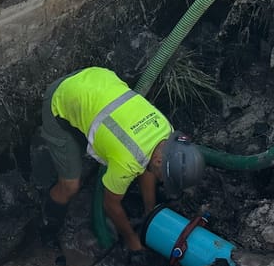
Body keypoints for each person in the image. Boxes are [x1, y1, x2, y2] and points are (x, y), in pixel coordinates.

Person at [34, 66, 206, 253]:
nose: (163, 181)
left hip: (95, 78)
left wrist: (150, 210)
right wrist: (132, 240)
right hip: (59, 97)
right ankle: (47, 227)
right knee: (70, 186)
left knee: (111, 146)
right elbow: (110, 203)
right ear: (159, 161)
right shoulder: (128, 162)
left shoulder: (167, 131)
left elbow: (147, 165)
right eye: (166, 177)